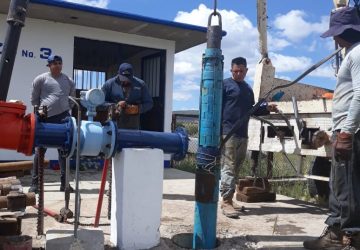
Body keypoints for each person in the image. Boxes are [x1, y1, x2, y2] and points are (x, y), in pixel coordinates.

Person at [303, 6, 360, 250]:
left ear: (344, 31)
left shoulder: (357, 54)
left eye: (336, 33)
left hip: (350, 132)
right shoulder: (351, 52)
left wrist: (346, 131)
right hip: (345, 130)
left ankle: (349, 239)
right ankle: (335, 235)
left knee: (346, 188)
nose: (334, 39)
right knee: (339, 186)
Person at [220, 57, 277, 218]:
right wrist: (219, 132)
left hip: (242, 134)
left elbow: (252, 110)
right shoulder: (224, 85)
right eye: (235, 71)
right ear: (231, 71)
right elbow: (217, 108)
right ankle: (225, 202)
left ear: (246, 71)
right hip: (227, 133)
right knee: (228, 167)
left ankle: (229, 198)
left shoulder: (247, 89)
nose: (238, 74)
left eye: (241, 71)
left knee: (236, 168)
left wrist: (267, 108)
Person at [29, 55, 75, 193]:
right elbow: (34, 100)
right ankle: (35, 184)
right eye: (54, 63)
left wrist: (66, 110)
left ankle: (65, 184)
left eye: (59, 63)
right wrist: (40, 113)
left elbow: (72, 99)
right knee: (40, 151)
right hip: (45, 118)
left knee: (64, 152)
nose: (57, 65)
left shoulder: (69, 80)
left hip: (63, 119)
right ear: (49, 65)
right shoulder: (41, 79)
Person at [101, 62, 153, 129]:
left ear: (132, 75)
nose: (125, 81)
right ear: (118, 74)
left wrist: (137, 109)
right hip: (113, 126)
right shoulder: (109, 84)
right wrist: (116, 105)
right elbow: (100, 103)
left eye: (128, 79)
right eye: (123, 78)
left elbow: (149, 103)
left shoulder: (141, 84)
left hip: (133, 126)